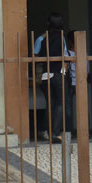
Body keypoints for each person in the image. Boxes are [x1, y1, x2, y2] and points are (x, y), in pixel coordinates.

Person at [34, 12, 67, 142]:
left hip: (45, 74)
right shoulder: (62, 37)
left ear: (48, 23)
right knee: (60, 103)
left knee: (50, 104)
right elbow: (65, 56)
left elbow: (35, 56)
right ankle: (55, 133)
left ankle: (47, 131)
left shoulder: (41, 38)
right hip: (59, 73)